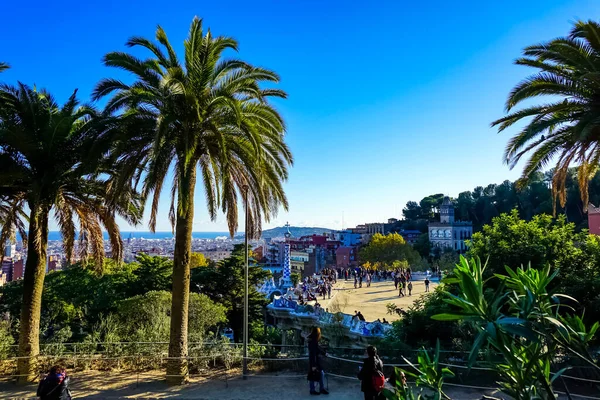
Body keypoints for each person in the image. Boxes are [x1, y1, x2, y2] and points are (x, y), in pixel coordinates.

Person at [307, 327, 328, 395]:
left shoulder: (313, 341)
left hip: (315, 361)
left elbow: (318, 348)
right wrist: (313, 365)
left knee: (319, 374)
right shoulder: (313, 342)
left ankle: (319, 389)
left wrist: (324, 353)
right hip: (314, 362)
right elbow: (313, 354)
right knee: (313, 375)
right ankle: (313, 390)